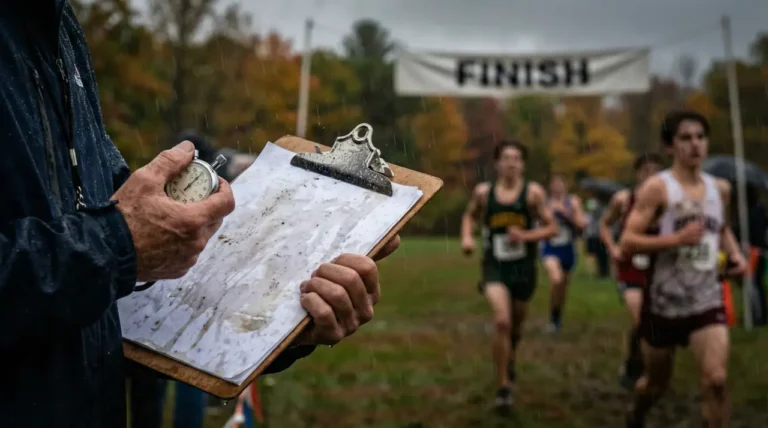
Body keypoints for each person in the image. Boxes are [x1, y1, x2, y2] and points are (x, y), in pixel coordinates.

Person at [0, 3, 399, 427]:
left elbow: (116, 297)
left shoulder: (58, 28)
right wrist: (117, 243)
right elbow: (111, 244)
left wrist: (286, 318)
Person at [619, 111, 747, 428]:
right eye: (686, 138)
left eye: (701, 137)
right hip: (664, 303)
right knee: (655, 385)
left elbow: (722, 230)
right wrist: (675, 239)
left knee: (716, 380)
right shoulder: (657, 188)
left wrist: (736, 256)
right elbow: (628, 242)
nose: (695, 145)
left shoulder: (721, 189)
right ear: (670, 147)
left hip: (707, 299)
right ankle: (637, 415)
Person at [461, 140, 558, 414]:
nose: (511, 163)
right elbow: (469, 217)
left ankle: (510, 357)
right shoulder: (484, 192)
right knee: (502, 321)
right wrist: (468, 238)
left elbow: (552, 228)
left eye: (516, 158)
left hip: (523, 268)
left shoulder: (532, 194)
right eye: (506, 158)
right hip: (494, 266)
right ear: (497, 163)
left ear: (523, 164)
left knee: (515, 327)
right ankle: (503, 387)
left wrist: (525, 236)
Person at [598, 153, 664, 390]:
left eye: (655, 170)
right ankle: (639, 367)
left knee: (656, 323)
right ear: (637, 174)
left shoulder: (669, 200)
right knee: (639, 318)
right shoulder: (624, 199)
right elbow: (604, 224)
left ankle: (641, 362)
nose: (650, 175)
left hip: (659, 268)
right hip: (630, 267)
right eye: (645, 170)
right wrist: (613, 248)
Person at [541, 174, 587, 333]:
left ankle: (555, 318)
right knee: (556, 278)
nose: (557, 187)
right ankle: (554, 319)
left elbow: (582, 224)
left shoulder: (573, 202)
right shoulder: (545, 203)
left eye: (561, 183)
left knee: (562, 287)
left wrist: (565, 213)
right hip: (550, 248)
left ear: (566, 186)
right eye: (554, 184)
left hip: (568, 248)